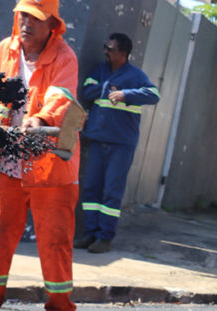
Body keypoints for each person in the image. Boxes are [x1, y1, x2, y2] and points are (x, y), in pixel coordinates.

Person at [0, 0, 86, 311]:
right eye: (23, 15)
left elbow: (60, 98)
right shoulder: (4, 50)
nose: (26, 23)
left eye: (35, 17)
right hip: (8, 163)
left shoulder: (64, 57)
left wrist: (41, 118)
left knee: (56, 243)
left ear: (52, 25)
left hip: (50, 169)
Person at [74, 33, 160, 254]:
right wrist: (108, 89)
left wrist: (125, 93)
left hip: (121, 144)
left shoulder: (136, 76)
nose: (105, 51)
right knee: (92, 188)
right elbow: (87, 89)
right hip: (98, 139)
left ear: (123, 53)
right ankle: (90, 234)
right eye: (106, 47)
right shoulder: (100, 71)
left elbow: (153, 95)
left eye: (110, 48)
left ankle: (105, 238)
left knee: (112, 191)